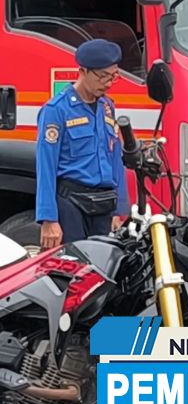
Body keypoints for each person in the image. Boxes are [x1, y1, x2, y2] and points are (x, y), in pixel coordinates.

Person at [35, 39, 131, 249]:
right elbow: (45, 166)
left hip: (104, 205)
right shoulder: (56, 110)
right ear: (83, 71)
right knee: (74, 264)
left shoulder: (107, 107)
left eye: (113, 76)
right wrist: (49, 218)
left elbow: (115, 159)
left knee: (106, 263)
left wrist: (119, 210)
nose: (107, 83)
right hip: (72, 204)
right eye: (102, 76)